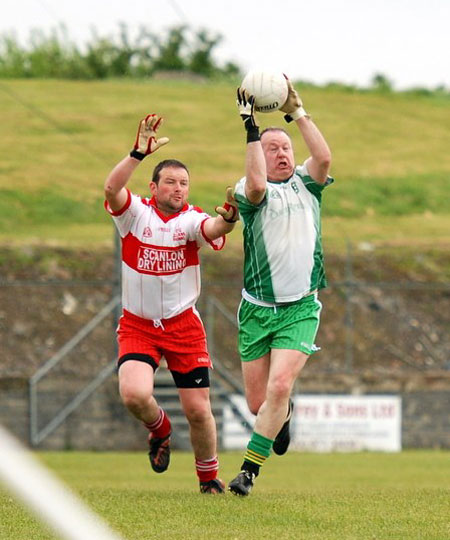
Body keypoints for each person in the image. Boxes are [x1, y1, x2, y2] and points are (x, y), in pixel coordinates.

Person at [104, 113, 238, 494]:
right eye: (171, 182)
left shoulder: (191, 220)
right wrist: (136, 153)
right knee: (133, 394)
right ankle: (159, 428)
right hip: (138, 325)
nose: (179, 189)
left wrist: (229, 218)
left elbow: (214, 228)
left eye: (184, 183)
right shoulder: (134, 214)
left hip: (182, 327)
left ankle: (208, 478)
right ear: (154, 185)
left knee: (198, 411)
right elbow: (111, 188)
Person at [228, 77, 334, 496]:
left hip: (301, 308)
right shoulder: (247, 189)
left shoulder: (308, 183)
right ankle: (282, 416)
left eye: (286, 147)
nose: (282, 154)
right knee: (261, 405)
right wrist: (252, 129)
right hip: (257, 309)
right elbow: (255, 186)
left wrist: (298, 111)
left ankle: (248, 472)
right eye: (272, 149)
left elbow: (323, 157)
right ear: (260, 155)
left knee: (277, 387)